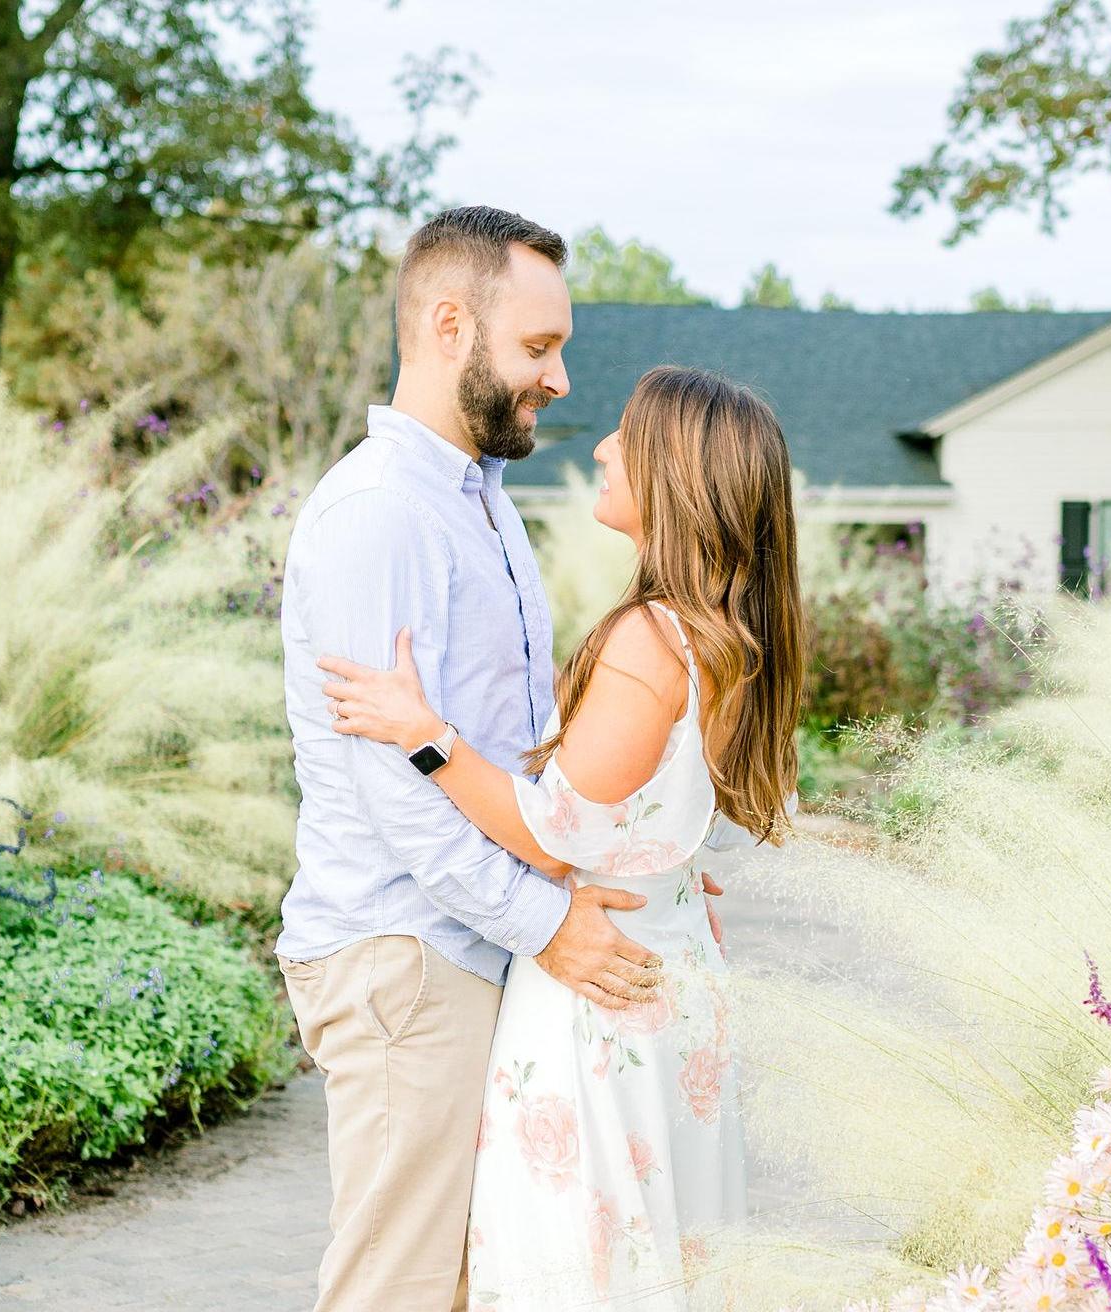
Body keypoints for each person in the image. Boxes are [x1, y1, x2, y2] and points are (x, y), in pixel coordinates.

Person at [278, 205, 693, 1311]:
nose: (559, 379)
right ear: (450, 326)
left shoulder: (482, 506)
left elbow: (519, 750)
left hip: (476, 943)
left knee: (476, 1284)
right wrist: (549, 924)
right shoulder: (379, 515)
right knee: (397, 1288)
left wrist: (620, 858)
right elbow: (396, 794)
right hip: (405, 952)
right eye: (538, 347)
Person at [320, 363, 805, 1308]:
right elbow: (668, 814)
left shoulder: (650, 639)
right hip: (666, 971)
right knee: (659, 1259)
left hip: (603, 998)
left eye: (628, 434)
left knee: (573, 1265)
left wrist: (426, 736)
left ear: (679, 474)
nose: (605, 448)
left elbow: (551, 839)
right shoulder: (730, 638)